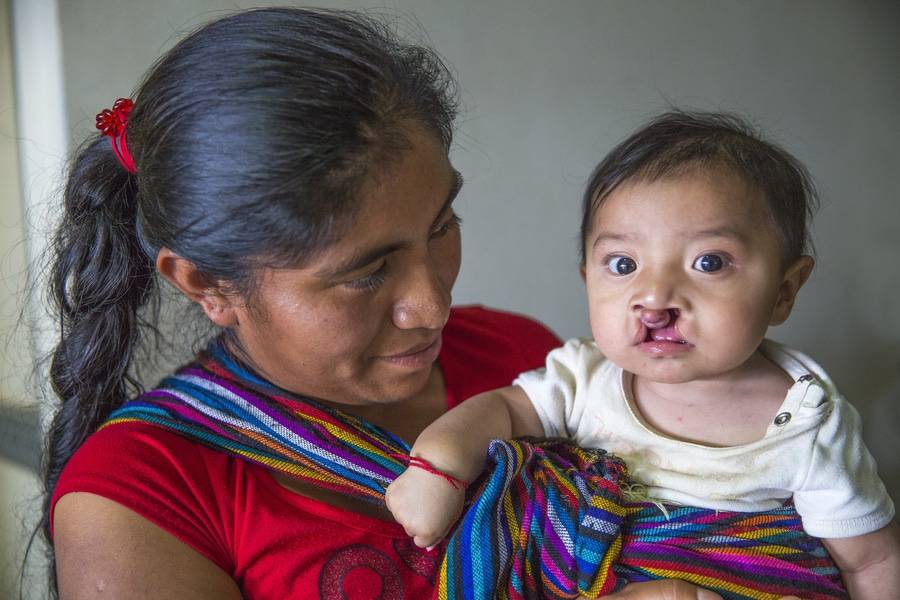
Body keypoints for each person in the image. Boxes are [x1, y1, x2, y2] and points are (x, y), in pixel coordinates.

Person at [40, 7, 727, 600]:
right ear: (206, 285)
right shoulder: (138, 497)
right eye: (365, 274)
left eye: (440, 228)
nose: (431, 307)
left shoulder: (521, 361)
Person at [386, 111, 900, 598]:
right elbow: (501, 409)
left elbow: (869, 561)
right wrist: (440, 466)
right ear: (588, 280)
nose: (655, 298)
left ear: (784, 290)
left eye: (709, 261)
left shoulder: (808, 425)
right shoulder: (583, 378)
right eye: (623, 263)